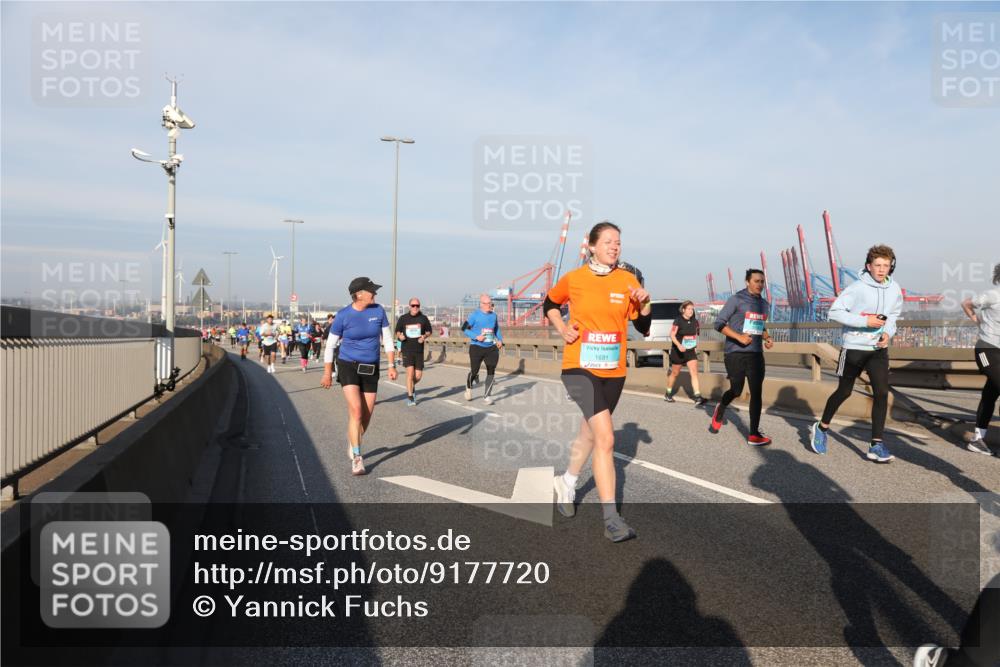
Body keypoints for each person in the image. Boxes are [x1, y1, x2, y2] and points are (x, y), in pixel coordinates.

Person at [546, 221, 652, 543]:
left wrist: (645, 301)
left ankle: (567, 481)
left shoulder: (627, 280)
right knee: (606, 438)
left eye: (618, 242)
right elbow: (551, 303)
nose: (614, 246)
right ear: (591, 246)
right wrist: (562, 328)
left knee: (590, 432)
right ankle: (611, 520)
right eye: (608, 241)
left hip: (613, 371)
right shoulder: (575, 278)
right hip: (578, 367)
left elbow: (644, 327)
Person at [809, 245, 903, 463]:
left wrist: (887, 333)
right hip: (853, 348)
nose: (881, 269)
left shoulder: (894, 289)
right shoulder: (857, 288)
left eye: (886, 265)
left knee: (881, 393)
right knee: (844, 391)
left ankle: (876, 445)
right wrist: (865, 321)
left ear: (891, 267)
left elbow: (893, 315)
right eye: (877, 265)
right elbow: (835, 312)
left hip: (878, 350)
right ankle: (821, 428)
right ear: (869, 266)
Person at [321, 277, 397, 476]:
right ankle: (357, 457)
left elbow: (388, 339)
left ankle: (353, 439)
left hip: (371, 366)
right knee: (356, 411)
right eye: (372, 290)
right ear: (359, 294)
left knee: (366, 415)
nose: (375, 293)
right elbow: (330, 346)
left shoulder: (378, 311)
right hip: (348, 365)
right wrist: (327, 373)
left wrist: (391, 365)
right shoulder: (343, 315)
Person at [710, 269, 774, 445]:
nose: (759, 284)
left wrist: (767, 337)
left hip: (756, 354)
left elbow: (759, 325)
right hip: (735, 353)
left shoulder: (764, 304)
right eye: (756, 281)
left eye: (762, 281)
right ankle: (721, 407)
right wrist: (739, 337)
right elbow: (718, 324)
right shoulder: (736, 299)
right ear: (747, 282)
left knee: (756, 393)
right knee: (736, 391)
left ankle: (754, 434)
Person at [960, 262, 999, 456]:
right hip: (986, 350)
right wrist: (976, 320)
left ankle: (978, 440)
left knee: (991, 393)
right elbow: (966, 303)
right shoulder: (993, 294)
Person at [462, 294, 504, 405]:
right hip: (476, 347)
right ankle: (468, 387)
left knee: (491, 370)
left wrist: (500, 340)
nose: (490, 305)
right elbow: (464, 328)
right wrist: (476, 336)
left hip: (491, 348)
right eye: (488, 304)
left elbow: (496, 329)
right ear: (481, 304)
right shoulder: (474, 315)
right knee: (474, 371)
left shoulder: (494, 316)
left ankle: (487, 396)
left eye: (491, 303)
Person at [663, 300, 707, 406]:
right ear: (683, 310)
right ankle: (668, 393)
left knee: (694, 372)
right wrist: (679, 345)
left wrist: (695, 347)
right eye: (689, 309)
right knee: (675, 373)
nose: (691, 311)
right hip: (678, 351)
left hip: (690, 351)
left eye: (692, 309)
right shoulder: (678, 321)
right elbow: (672, 335)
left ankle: (697, 396)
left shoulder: (695, 321)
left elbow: (695, 335)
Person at [395, 297, 433, 406]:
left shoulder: (423, 318)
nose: (415, 307)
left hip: (419, 351)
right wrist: (400, 336)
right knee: (410, 374)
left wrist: (424, 336)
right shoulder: (403, 318)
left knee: (418, 376)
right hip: (407, 349)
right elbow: (397, 331)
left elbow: (429, 331)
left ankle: (411, 386)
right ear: (409, 306)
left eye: (417, 305)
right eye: (413, 305)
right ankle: (410, 397)